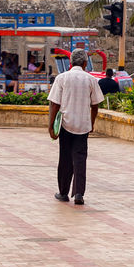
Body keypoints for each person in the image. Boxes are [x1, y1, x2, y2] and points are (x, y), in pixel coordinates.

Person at [47, 49, 105, 206]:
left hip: (66, 123)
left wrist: (51, 126)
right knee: (80, 159)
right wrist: (91, 122)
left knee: (65, 159)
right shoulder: (91, 79)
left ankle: (63, 192)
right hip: (83, 125)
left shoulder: (62, 78)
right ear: (85, 63)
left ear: (70, 63)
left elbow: (54, 103)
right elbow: (95, 104)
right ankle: (78, 193)